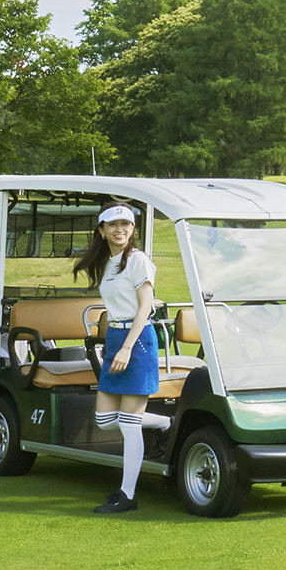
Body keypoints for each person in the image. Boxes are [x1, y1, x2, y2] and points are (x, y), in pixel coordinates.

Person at [73, 204, 157, 514]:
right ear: (102, 230)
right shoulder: (108, 263)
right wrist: (116, 345)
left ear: (133, 229)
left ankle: (128, 495)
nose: (119, 229)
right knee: (106, 419)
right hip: (116, 339)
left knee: (130, 424)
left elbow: (145, 308)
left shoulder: (138, 261)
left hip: (138, 341)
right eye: (113, 225)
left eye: (126, 224)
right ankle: (163, 422)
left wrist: (126, 348)